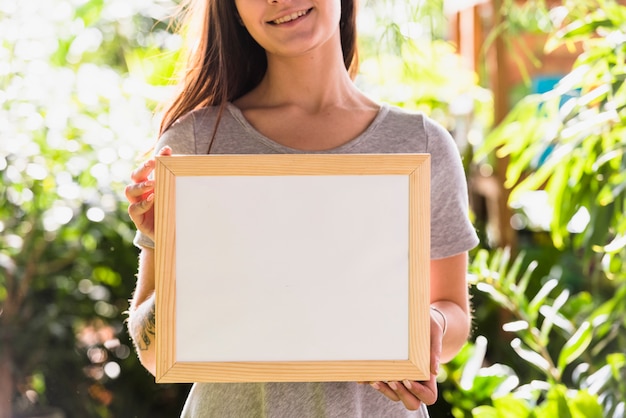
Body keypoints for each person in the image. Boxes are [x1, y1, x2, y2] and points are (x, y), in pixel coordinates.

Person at [124, 0, 479, 416]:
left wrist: (429, 327)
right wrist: (181, 247)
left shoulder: (420, 144)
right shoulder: (196, 143)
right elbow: (153, 353)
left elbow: (452, 311)